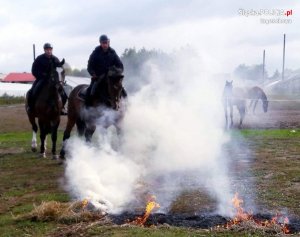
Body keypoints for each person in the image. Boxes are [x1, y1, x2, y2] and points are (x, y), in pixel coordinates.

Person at [86, 34, 127, 106]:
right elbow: (90, 66)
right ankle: (87, 109)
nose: (105, 44)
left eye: (106, 42)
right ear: (100, 43)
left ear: (109, 42)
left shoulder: (113, 53)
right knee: (90, 92)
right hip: (98, 77)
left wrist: (116, 71)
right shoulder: (95, 53)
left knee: (124, 93)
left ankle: (126, 108)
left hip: (111, 77)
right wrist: (93, 74)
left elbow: (120, 66)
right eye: (103, 43)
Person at [28, 43, 68, 114]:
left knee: (64, 94)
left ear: (51, 50)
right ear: (44, 50)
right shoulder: (39, 58)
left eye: (50, 49)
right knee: (32, 92)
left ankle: (62, 108)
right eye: (47, 49)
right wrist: (42, 75)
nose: (49, 51)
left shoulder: (55, 59)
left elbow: (59, 69)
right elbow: (34, 70)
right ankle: (31, 108)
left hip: (54, 81)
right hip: (41, 79)